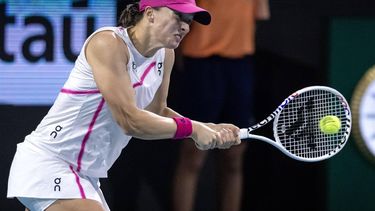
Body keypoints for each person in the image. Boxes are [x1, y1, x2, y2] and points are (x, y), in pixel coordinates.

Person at [6, 0, 242, 210]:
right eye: (178, 17)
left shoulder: (165, 54)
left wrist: (206, 126)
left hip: (84, 174)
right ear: (150, 14)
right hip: (50, 162)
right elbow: (130, 121)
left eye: (189, 21)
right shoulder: (108, 43)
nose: (185, 27)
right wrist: (192, 130)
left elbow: (155, 112)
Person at [172, 1, 270, 211]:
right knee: (193, 154)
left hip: (239, 65)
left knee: (234, 157)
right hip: (201, 64)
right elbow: (179, 16)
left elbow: (258, 16)